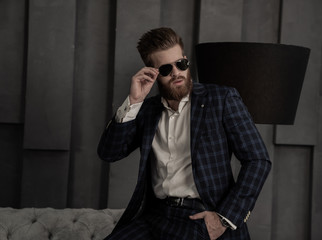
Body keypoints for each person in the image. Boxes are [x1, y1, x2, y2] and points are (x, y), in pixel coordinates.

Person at [98, 27, 271, 240]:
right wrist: (133, 102)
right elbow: (109, 153)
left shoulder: (221, 99)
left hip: (199, 217)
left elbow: (258, 160)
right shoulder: (147, 110)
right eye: (165, 69)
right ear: (152, 72)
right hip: (155, 216)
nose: (176, 73)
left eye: (181, 64)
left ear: (186, 60)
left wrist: (224, 218)